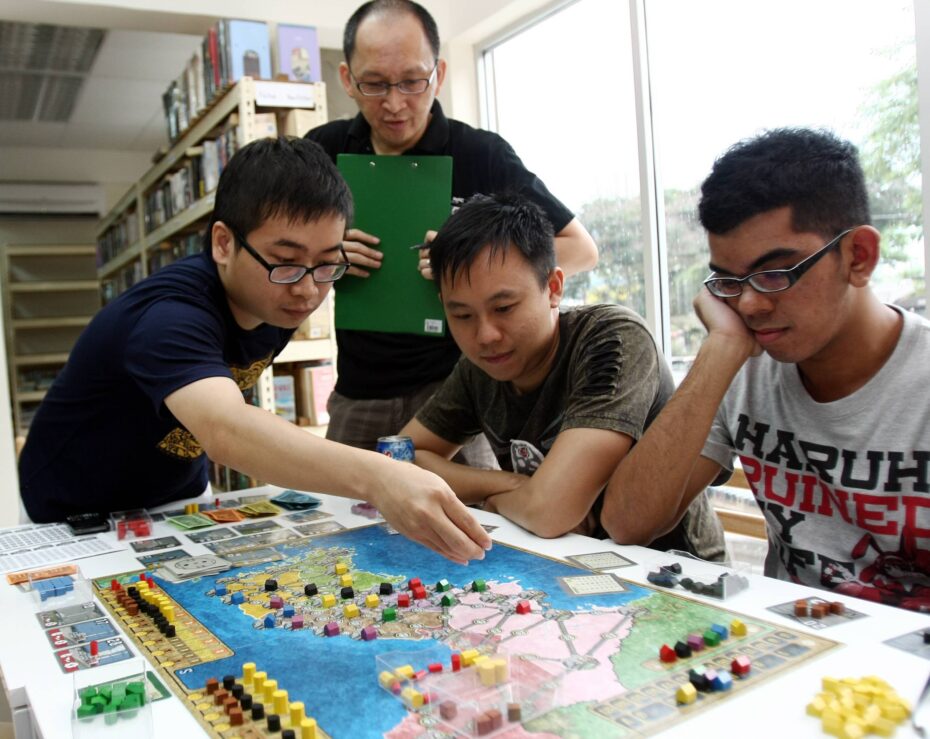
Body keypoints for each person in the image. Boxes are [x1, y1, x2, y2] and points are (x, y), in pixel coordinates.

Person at [18, 137, 490, 566]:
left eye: (328, 264)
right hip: (74, 511)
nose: (307, 290)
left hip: (174, 499)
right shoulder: (169, 317)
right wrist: (380, 477)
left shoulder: (272, 299)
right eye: (286, 263)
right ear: (224, 243)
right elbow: (226, 429)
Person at [601, 128, 930, 610]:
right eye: (729, 281)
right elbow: (626, 522)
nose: (750, 305)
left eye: (775, 273)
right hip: (798, 640)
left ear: (858, 257)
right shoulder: (747, 367)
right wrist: (720, 349)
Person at [306, 0, 597, 460]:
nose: (395, 103)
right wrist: (323, 258)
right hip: (359, 391)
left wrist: (473, 261)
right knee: (345, 504)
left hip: (462, 392)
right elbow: (281, 259)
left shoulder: (481, 154)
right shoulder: (323, 151)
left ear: (439, 74)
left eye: (413, 81)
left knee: (470, 505)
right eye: (375, 84)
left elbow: (579, 248)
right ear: (347, 79)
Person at [398, 193, 725, 560]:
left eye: (504, 308)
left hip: (670, 568)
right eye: (462, 315)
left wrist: (504, 501)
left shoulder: (611, 338)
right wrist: (509, 485)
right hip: (558, 562)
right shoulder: (481, 366)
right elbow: (399, 457)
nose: (485, 335)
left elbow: (550, 512)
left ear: (553, 288)